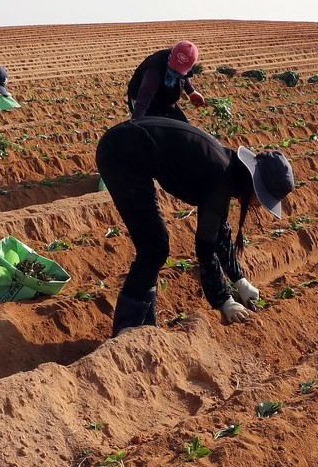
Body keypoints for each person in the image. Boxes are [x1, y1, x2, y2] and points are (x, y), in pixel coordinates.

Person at [94, 117, 294, 335]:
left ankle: (143, 324)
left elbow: (220, 229)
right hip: (121, 154)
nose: (260, 205)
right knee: (154, 246)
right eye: (264, 198)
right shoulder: (221, 177)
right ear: (256, 185)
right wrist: (224, 300)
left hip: (130, 148)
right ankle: (127, 326)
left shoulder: (230, 171)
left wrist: (240, 280)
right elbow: (205, 247)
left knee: (155, 246)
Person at [126, 41, 206, 121]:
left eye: (179, 71)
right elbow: (143, 100)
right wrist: (136, 123)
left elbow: (183, 77)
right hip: (143, 99)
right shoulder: (154, 70)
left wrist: (191, 92)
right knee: (153, 129)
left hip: (163, 100)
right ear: (171, 55)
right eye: (174, 69)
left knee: (182, 127)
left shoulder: (184, 68)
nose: (175, 73)